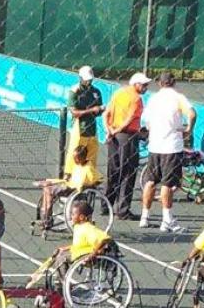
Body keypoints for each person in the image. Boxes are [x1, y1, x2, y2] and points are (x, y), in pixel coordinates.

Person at [138, 72, 196, 233]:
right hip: (171, 147)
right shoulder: (178, 97)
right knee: (167, 184)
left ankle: (145, 217)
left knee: (150, 181)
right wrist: (189, 130)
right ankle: (167, 219)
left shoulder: (154, 98)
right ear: (174, 82)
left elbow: (147, 121)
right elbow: (192, 114)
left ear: (160, 83)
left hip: (155, 146)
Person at [27, 198, 115, 288]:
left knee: (62, 257)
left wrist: (93, 254)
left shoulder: (88, 228)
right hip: (80, 251)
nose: (71, 216)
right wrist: (65, 248)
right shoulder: (78, 226)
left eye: (73, 214)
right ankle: (57, 279)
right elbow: (80, 244)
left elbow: (104, 239)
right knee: (58, 253)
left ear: (81, 217)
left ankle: (64, 283)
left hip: (89, 255)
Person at [104, 71, 150, 219]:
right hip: (128, 137)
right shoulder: (136, 99)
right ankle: (123, 210)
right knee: (128, 173)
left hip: (114, 136)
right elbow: (129, 119)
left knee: (113, 171)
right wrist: (117, 130)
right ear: (136, 84)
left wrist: (109, 131)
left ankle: (106, 205)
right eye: (144, 85)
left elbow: (106, 113)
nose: (146, 87)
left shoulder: (119, 93)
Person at [35, 144, 100, 229]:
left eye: (75, 158)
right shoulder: (78, 165)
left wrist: (85, 185)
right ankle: (46, 216)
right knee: (47, 188)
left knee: (48, 190)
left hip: (73, 189)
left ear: (81, 158)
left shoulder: (88, 168)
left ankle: (47, 218)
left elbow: (95, 180)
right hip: (68, 185)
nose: (74, 160)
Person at [65, 65, 104, 175]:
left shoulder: (96, 91)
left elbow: (99, 110)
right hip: (79, 128)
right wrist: (92, 110)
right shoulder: (74, 91)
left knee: (92, 155)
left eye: (90, 79)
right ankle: (70, 175)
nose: (89, 82)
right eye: (86, 79)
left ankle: (89, 177)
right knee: (75, 154)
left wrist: (100, 110)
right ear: (80, 78)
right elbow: (74, 112)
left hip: (92, 129)